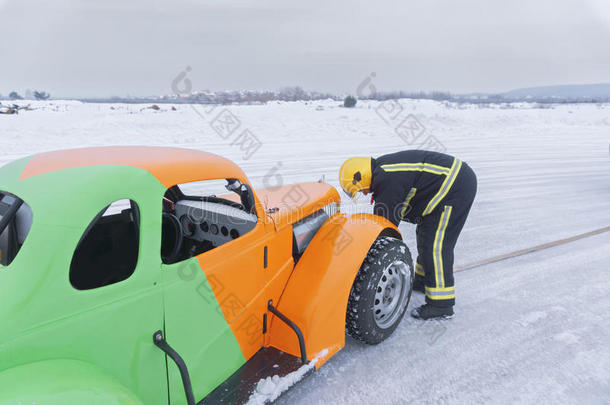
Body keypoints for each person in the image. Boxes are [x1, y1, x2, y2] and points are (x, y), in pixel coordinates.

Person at [339, 150, 477, 320]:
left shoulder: (387, 178)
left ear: (362, 176)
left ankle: (442, 305)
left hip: (456, 187)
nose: (365, 194)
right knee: (426, 237)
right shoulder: (385, 171)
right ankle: (422, 280)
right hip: (448, 187)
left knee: (437, 246)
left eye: (361, 190)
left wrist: (364, 258)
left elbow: (384, 227)